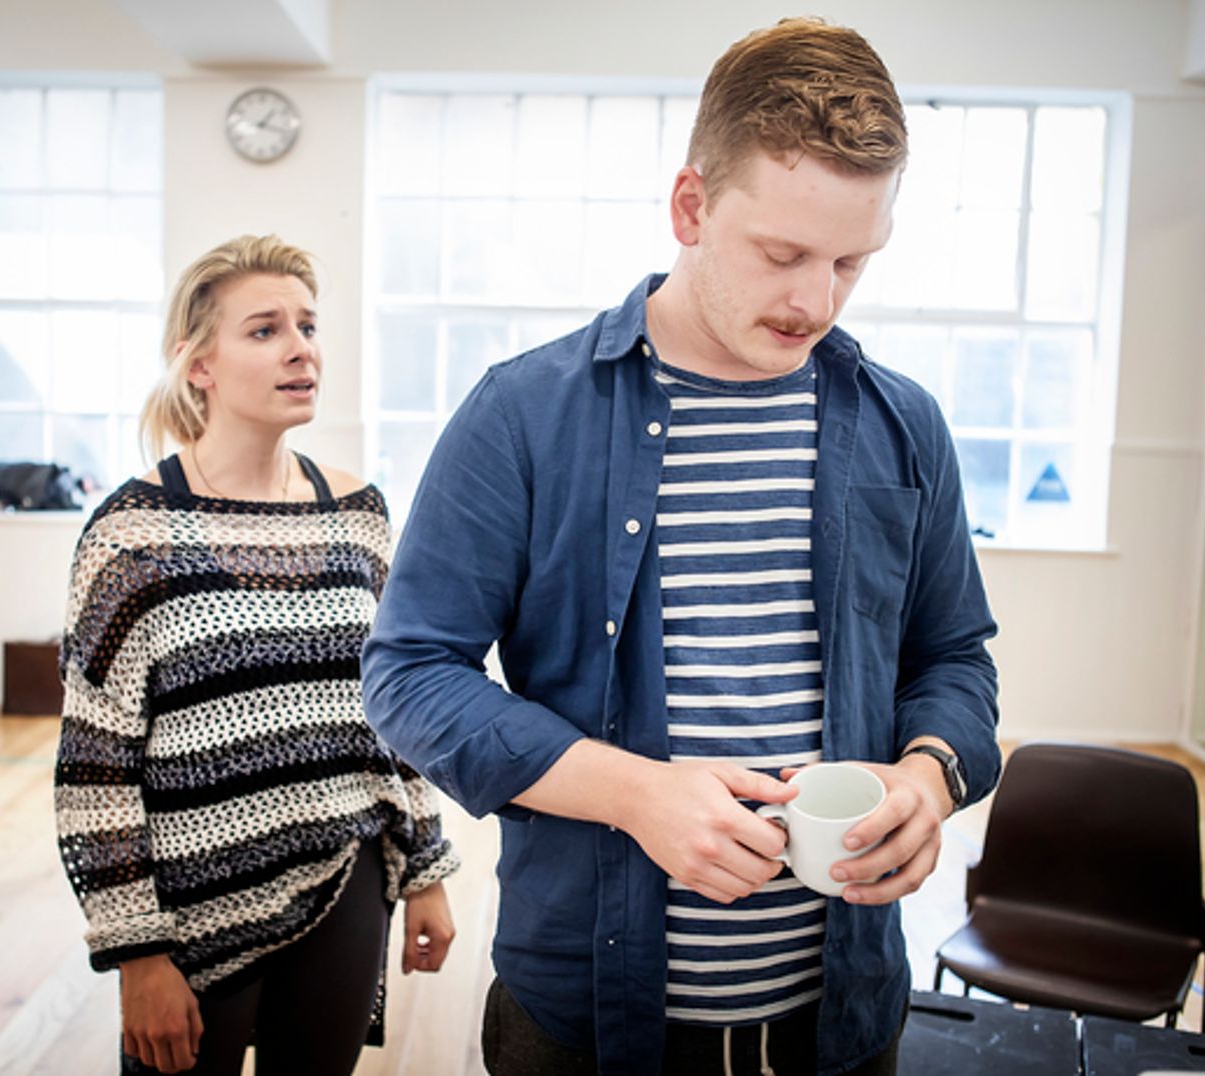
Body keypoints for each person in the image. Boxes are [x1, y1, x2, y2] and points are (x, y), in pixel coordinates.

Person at [362, 18, 998, 1076]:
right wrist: (633, 791)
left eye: (851, 260)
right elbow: (407, 674)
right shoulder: (520, 415)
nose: (815, 300)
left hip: (843, 1016)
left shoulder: (903, 422)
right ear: (690, 207)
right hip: (582, 1021)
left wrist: (927, 777)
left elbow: (954, 657)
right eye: (782, 253)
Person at [54, 234, 459, 1076]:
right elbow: (95, 766)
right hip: (191, 912)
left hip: (346, 882)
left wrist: (426, 868)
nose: (301, 348)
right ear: (196, 364)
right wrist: (136, 954)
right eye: (265, 330)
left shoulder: (356, 513)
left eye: (307, 326)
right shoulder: (132, 537)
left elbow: (397, 710)